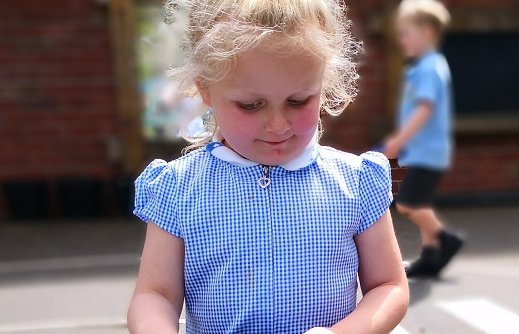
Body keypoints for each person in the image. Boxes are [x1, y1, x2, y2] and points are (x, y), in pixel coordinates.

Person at [126, 1, 408, 333]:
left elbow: (389, 285)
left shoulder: (355, 182)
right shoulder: (177, 188)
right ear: (205, 89)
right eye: (251, 105)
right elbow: (156, 294)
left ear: (323, 84)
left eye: (298, 101)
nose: (277, 125)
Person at [383, 0, 464, 278]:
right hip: (424, 151)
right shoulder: (423, 67)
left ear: (427, 32)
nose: (402, 40)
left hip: (427, 151)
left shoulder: (430, 67)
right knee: (421, 202)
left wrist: (399, 138)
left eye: (406, 33)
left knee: (407, 204)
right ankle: (430, 255)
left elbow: (425, 108)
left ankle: (445, 238)